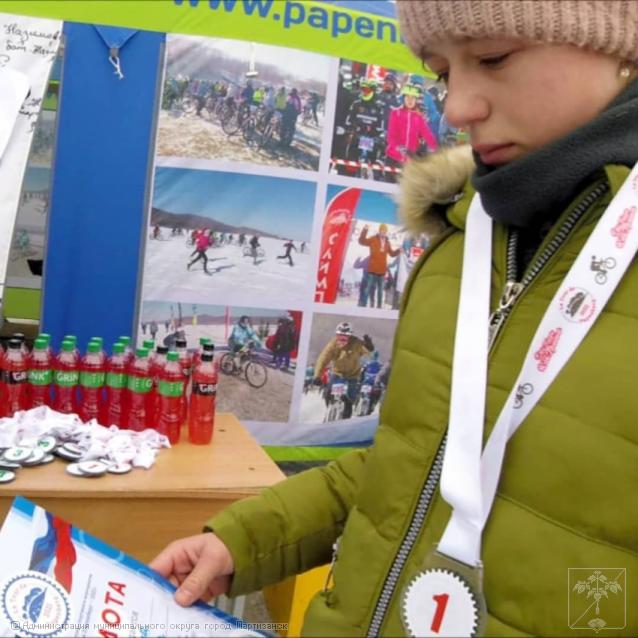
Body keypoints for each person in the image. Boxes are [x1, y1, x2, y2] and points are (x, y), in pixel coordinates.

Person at [150, 2, 638, 636]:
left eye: (493, 57)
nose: (456, 108)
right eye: (442, 73)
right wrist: (247, 539)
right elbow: (413, 465)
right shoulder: (462, 242)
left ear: (619, 45)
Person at [314, 322, 374, 420]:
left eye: (345, 336)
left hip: (353, 375)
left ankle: (344, 420)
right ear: (336, 335)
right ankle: (329, 411)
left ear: (350, 336)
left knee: (350, 399)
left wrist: (369, 346)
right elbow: (323, 359)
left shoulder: (356, 343)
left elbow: (367, 351)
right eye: (340, 335)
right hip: (337, 373)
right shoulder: (333, 344)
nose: (342, 338)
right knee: (328, 392)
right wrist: (317, 376)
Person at [385, 84, 439, 182]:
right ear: (403, 99)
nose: (410, 100)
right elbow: (391, 136)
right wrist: (398, 147)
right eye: (407, 97)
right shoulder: (395, 113)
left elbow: (427, 134)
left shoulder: (418, 117)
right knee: (388, 187)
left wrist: (435, 148)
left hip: (409, 160)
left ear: (416, 100)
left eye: (413, 98)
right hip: (393, 158)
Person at [358, 223, 400, 308]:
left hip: (382, 270)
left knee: (380, 291)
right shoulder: (373, 239)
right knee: (368, 289)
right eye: (382, 230)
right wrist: (365, 230)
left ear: (386, 232)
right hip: (372, 269)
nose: (383, 232)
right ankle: (363, 305)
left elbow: (392, 254)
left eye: (385, 231)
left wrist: (399, 250)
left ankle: (379, 307)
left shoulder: (387, 243)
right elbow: (362, 241)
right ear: (379, 231)